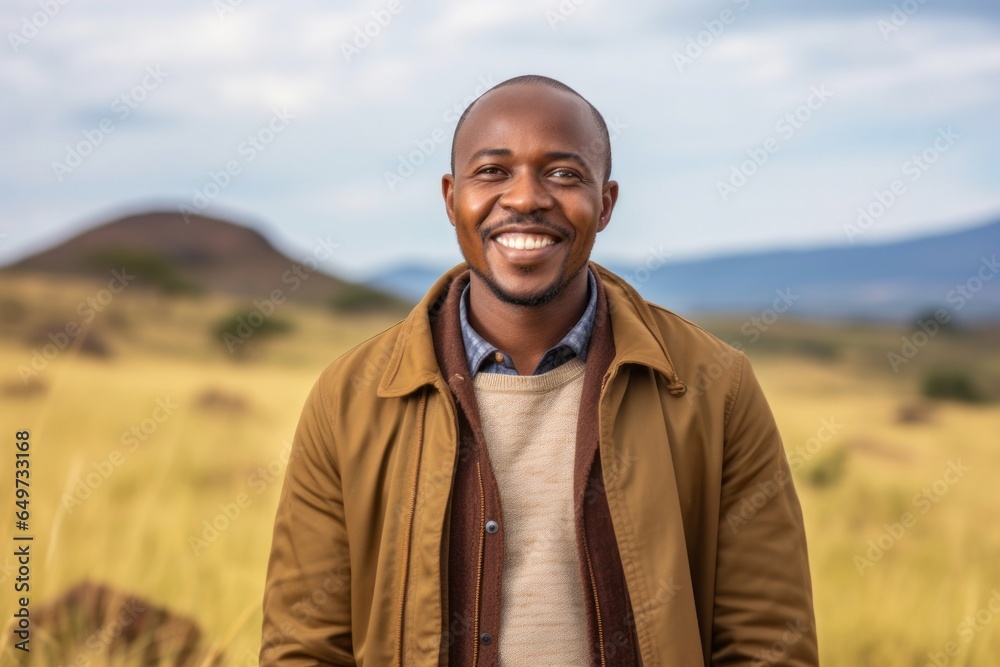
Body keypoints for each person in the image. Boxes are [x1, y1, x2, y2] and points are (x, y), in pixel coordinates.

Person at [260, 74, 819, 666]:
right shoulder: (350, 396)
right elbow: (304, 645)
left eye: (563, 174)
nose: (525, 198)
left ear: (604, 204)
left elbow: (767, 644)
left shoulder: (714, 387)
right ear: (452, 198)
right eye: (493, 171)